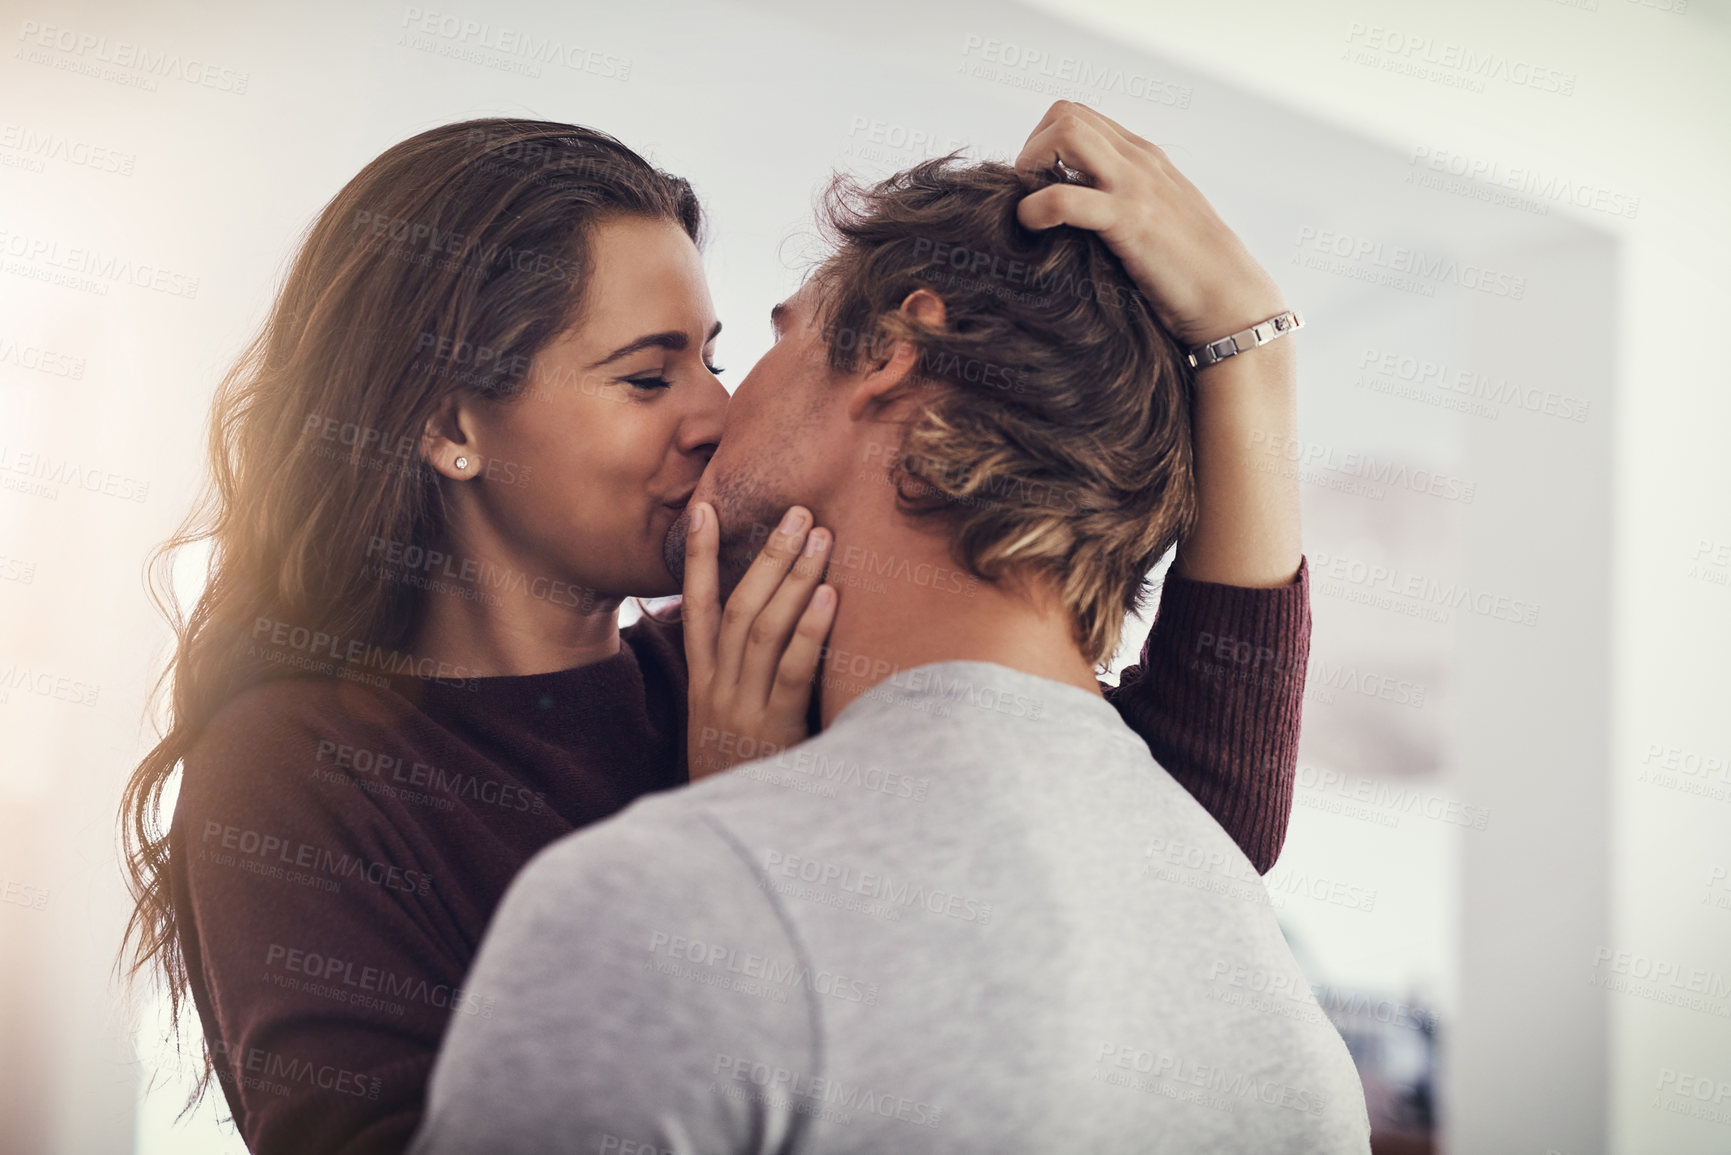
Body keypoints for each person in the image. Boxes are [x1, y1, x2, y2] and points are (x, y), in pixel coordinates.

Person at [120, 107, 1313, 1155]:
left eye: (716, 356)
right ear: (449, 426)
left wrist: (1249, 354)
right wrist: (736, 810)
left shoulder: (749, 636)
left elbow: (1176, 819)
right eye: (648, 378)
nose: (714, 413)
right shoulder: (295, 771)